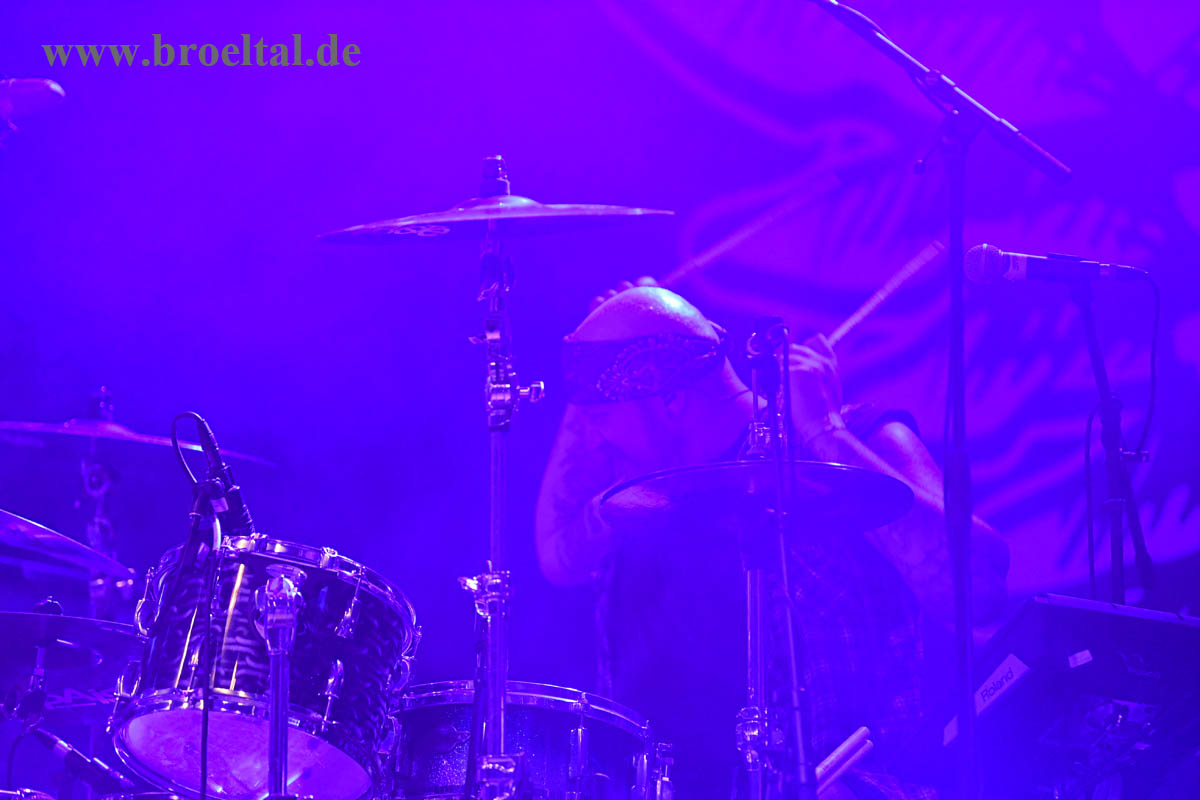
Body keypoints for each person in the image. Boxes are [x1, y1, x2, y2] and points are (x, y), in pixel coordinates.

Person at [535, 281, 1009, 800]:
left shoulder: (856, 442)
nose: (596, 440)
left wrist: (825, 431)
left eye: (601, 417)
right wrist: (602, 342)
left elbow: (979, 588)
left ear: (670, 398)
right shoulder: (646, 489)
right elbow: (558, 556)